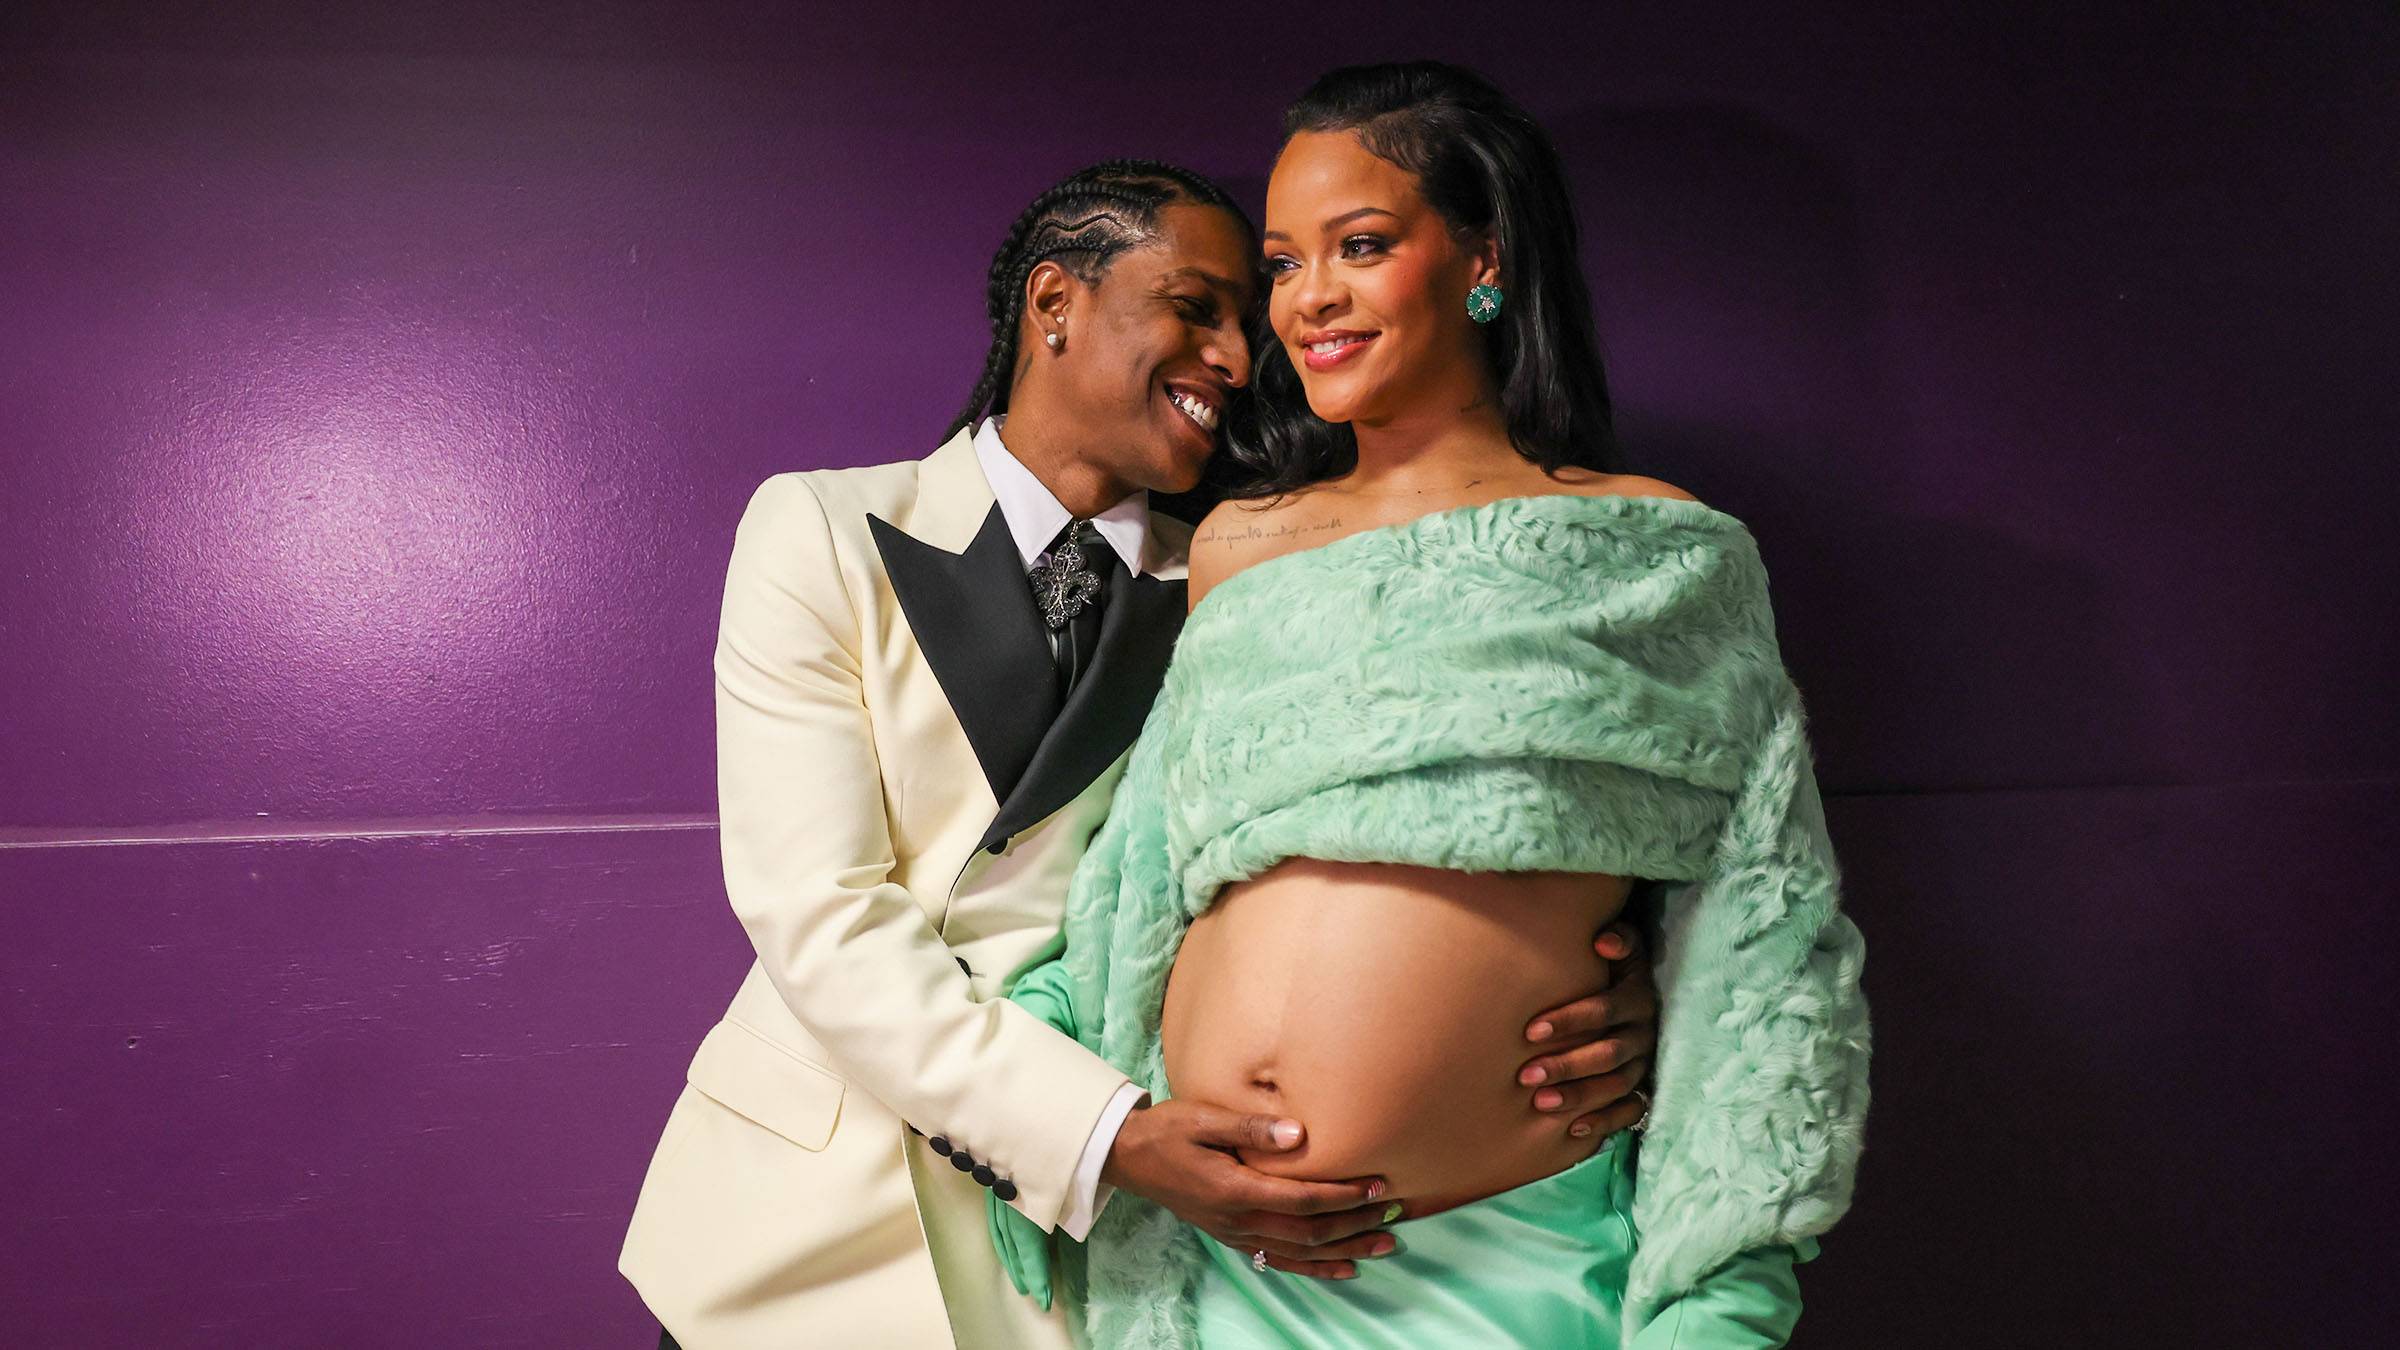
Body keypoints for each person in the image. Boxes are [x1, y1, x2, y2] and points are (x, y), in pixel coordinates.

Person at [618, 159, 1664, 1349]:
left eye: (1246, 324)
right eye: (1196, 308)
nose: (1237, 358)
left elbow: (1417, 825)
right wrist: (1105, 1134)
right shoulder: (822, 529)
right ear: (1054, 303)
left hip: (1081, 1270)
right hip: (806, 1232)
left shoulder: (1250, 574)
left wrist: (1607, 990)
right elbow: (819, 911)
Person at [992, 65, 1870, 1349]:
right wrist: (1068, 1092)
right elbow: (1144, 874)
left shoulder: (1659, 553)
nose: (1307, 299)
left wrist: (1715, 1261)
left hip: (1505, 1263)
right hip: (1222, 1257)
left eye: (1360, 245)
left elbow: (1762, 931)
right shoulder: (1238, 544)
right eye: (1284, 262)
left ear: (1483, 260)